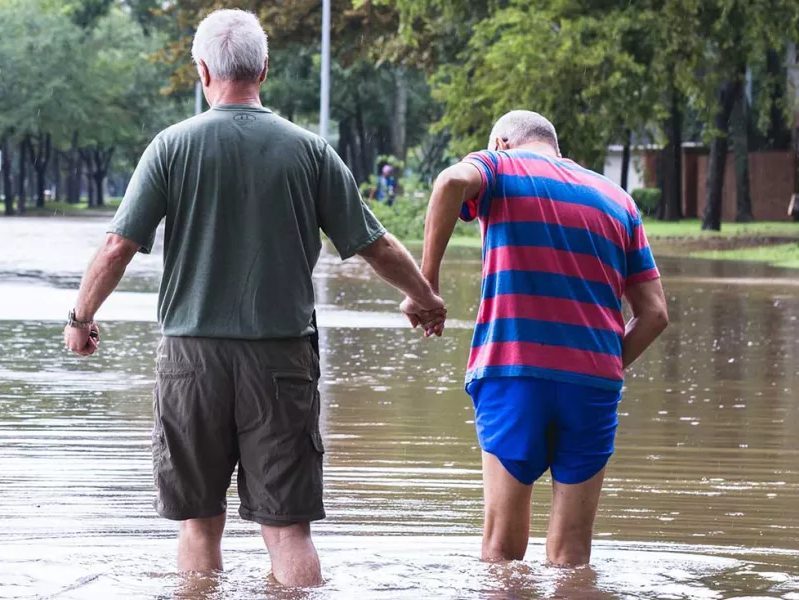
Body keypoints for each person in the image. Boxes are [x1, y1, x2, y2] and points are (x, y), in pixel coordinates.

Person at [62, 9, 445, 588]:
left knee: (197, 525)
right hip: (281, 360)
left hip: (191, 361)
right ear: (265, 68)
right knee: (288, 531)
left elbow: (118, 246)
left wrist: (81, 317)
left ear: (201, 70)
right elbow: (374, 244)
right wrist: (425, 297)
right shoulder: (308, 151)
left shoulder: (170, 147)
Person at [413, 110, 668, 566]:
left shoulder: (499, 166)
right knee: (572, 556)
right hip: (592, 387)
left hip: (515, 375)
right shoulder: (617, 199)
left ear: (501, 142)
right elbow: (654, 315)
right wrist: (601, 363)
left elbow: (450, 184)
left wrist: (426, 288)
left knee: (502, 549)